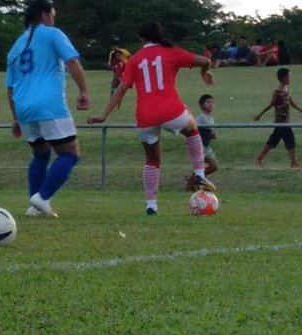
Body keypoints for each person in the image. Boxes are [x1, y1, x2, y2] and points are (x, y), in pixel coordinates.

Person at [89, 21, 216, 216]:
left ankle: (151, 205)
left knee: (152, 160)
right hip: (171, 110)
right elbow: (205, 60)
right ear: (160, 35)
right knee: (191, 128)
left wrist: (103, 115)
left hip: (145, 116)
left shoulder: (135, 59)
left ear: (142, 39)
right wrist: (204, 72)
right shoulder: (171, 51)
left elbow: (121, 89)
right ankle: (199, 173)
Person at [5, 0, 91, 218]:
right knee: (70, 154)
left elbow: (10, 88)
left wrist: (16, 118)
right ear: (44, 15)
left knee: (41, 154)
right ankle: (42, 197)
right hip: (49, 104)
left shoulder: (15, 47)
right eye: (52, 14)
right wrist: (83, 91)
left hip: (23, 107)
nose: (53, 19)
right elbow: (72, 62)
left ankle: (35, 207)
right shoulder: (53, 34)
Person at [253, 67, 302, 170]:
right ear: (284, 78)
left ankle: (259, 158)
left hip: (286, 121)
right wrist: (260, 114)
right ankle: (294, 163)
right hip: (281, 122)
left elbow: (291, 102)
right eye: (289, 76)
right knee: (290, 140)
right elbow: (271, 104)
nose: (291, 78)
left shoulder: (287, 90)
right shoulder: (277, 91)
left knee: (273, 140)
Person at [186, 93, 219, 189]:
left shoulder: (210, 118)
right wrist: (211, 133)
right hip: (200, 146)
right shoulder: (202, 118)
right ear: (201, 105)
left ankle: (193, 179)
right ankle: (191, 183)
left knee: (213, 166)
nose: (210, 104)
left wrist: (212, 134)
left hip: (206, 146)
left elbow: (209, 132)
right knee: (213, 166)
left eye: (212, 102)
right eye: (207, 102)